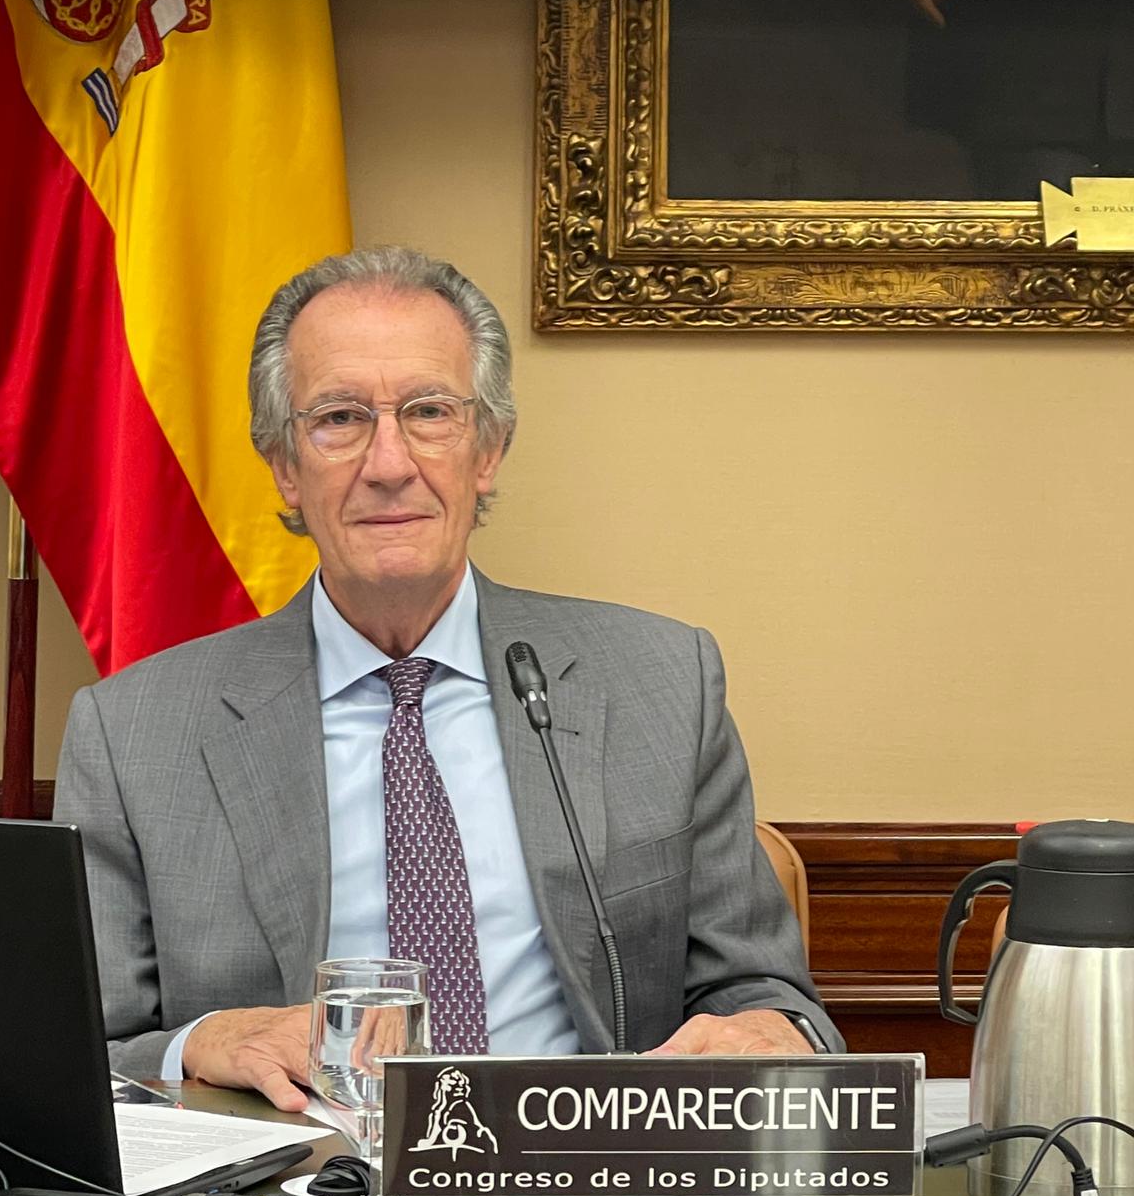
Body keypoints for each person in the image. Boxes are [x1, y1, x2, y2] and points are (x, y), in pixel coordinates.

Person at [55, 246, 843, 1112]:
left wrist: (771, 1032)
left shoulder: (661, 684)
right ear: (284, 465)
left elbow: (765, 997)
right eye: (340, 419)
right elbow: (80, 1049)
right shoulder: (134, 733)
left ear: (488, 451)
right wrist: (202, 1041)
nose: (389, 463)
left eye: (429, 412)